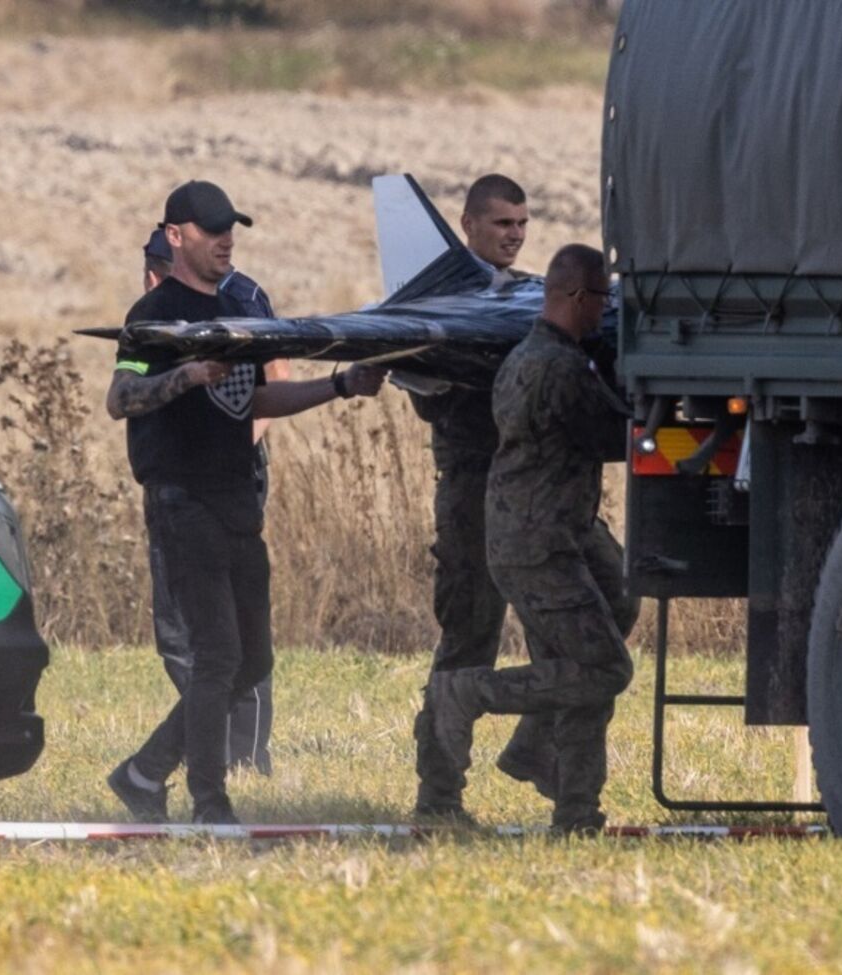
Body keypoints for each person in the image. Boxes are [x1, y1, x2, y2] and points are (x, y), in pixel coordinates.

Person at [106, 180, 385, 824]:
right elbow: (121, 398)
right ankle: (210, 801)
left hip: (236, 498)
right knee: (218, 655)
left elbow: (254, 401)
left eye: (231, 227)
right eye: (211, 229)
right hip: (181, 499)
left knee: (253, 657)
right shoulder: (154, 318)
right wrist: (184, 374)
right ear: (176, 237)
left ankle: (143, 772)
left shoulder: (240, 310)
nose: (226, 239)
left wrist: (341, 385)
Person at [423, 243, 639, 833]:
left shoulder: (528, 356)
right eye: (600, 300)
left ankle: (571, 801)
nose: (604, 311)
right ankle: (469, 694)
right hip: (539, 542)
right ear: (575, 298)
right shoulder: (559, 368)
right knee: (603, 668)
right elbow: (612, 436)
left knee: (612, 612)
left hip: (552, 531)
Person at [408, 174, 558, 822]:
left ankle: (534, 746)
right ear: (466, 223)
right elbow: (421, 390)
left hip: (534, 489)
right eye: (502, 224)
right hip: (472, 490)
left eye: (522, 224)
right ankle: (439, 795)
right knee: (471, 637)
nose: (515, 236)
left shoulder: (518, 297)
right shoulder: (447, 302)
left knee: (591, 619)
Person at [137, 227, 288, 776]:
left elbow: (276, 381)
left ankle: (243, 754)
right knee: (181, 632)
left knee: (236, 635)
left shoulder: (243, 298)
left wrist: (224, 450)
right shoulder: (154, 312)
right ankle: (200, 748)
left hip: (229, 481)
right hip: (176, 484)